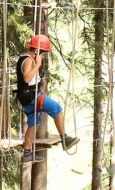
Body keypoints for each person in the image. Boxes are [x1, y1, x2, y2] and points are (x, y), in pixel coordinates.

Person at [16, 34, 78, 164]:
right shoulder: (28, 60)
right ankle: (64, 138)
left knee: (34, 124)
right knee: (57, 109)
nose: (43, 57)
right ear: (37, 51)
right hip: (32, 97)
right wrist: (37, 65)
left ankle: (27, 153)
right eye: (42, 54)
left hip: (27, 97)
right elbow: (27, 78)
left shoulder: (25, 58)